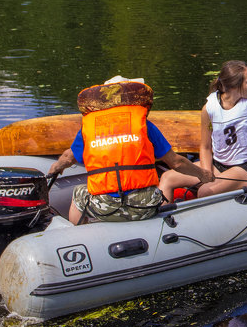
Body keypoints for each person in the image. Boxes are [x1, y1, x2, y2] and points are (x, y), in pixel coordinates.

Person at [48, 76, 211, 223]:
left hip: (105, 208)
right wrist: (202, 175)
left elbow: (68, 157)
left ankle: (81, 238)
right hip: (144, 206)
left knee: (79, 192)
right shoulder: (144, 125)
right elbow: (176, 162)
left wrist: (55, 169)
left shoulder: (88, 129)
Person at [158, 61, 247, 202]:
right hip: (219, 165)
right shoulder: (209, 108)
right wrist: (206, 172)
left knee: (205, 191)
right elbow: (205, 146)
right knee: (167, 178)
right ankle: (163, 219)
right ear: (234, 86)